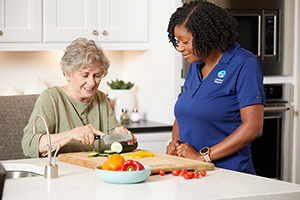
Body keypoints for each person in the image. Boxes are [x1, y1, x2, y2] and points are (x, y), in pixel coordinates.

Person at [166, 1, 265, 174]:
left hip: (230, 174)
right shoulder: (195, 66)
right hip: (192, 173)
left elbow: (253, 128)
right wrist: (177, 146)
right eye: (178, 41)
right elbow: (184, 113)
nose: (180, 48)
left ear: (206, 36)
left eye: (185, 41)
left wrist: (202, 158)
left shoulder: (244, 64)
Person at [22, 38, 136, 158]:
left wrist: (121, 136)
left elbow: (112, 141)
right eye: (85, 75)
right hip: (63, 172)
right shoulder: (51, 98)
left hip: (96, 171)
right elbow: (29, 146)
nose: (91, 82)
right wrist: (72, 134)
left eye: (97, 76)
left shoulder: (101, 98)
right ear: (67, 74)